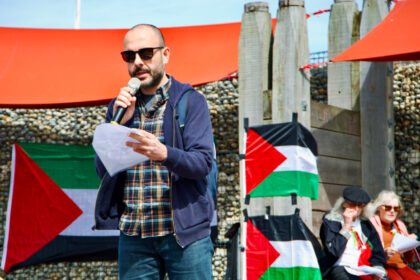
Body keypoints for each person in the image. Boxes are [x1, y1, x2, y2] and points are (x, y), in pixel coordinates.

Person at [94, 24, 214, 280]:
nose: (138, 62)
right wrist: (120, 122)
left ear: (166, 54)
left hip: (184, 235)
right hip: (135, 236)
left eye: (146, 53)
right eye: (130, 56)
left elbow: (203, 163)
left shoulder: (190, 101)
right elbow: (102, 170)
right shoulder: (120, 106)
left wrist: (165, 154)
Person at [320, 186, 387, 280]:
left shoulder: (365, 224)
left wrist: (377, 269)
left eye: (360, 205)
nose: (356, 208)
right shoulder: (332, 220)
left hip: (361, 268)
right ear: (344, 204)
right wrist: (347, 226)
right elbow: (333, 251)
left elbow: (377, 252)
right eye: (352, 204)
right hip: (338, 267)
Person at [368, 191, 420, 280]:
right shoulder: (370, 225)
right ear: (379, 208)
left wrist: (410, 243)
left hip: (401, 267)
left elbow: (409, 259)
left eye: (396, 208)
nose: (392, 211)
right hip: (382, 267)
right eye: (388, 207)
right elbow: (364, 254)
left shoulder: (400, 225)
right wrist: (382, 253)